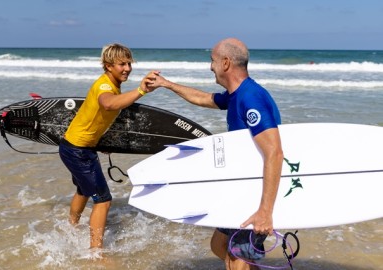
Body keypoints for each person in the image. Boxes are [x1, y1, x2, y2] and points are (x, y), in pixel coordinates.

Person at [150, 38, 284, 269]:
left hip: (253, 193)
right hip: (239, 188)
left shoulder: (250, 97)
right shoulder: (235, 95)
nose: (210, 66)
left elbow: (275, 152)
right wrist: (167, 84)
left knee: (236, 259)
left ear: (225, 63)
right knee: (219, 245)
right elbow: (203, 98)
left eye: (212, 61)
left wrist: (265, 211)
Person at [59, 43, 158, 249]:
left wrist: (100, 141)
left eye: (129, 63)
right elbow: (108, 104)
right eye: (122, 64)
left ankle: (70, 227)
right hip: (78, 150)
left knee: (83, 190)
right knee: (103, 200)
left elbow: (98, 116)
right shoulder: (105, 86)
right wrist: (141, 90)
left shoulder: (113, 85)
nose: (128, 68)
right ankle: (96, 252)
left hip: (75, 146)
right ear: (108, 66)